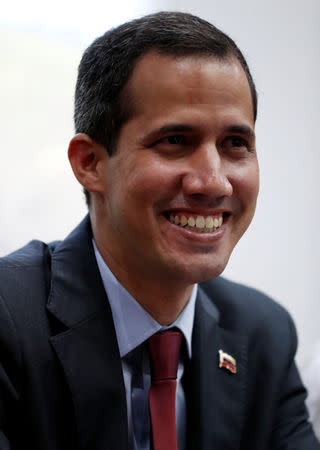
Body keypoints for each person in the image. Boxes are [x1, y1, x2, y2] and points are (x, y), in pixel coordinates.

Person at [0, 11, 319, 450]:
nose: (213, 182)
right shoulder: (8, 320)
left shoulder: (263, 334)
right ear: (90, 163)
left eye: (235, 145)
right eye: (175, 141)